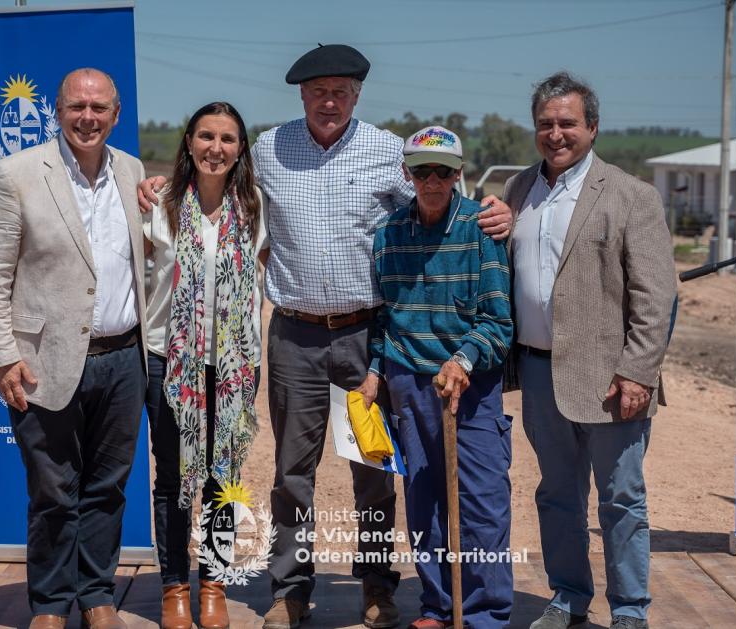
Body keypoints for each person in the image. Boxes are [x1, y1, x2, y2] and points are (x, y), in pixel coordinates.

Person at [137, 44, 512, 629]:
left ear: (357, 95)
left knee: (373, 471)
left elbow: (437, 203)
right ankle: (291, 589)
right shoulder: (268, 150)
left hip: (366, 337)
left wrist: (495, 211)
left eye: (340, 91)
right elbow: (217, 196)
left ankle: (376, 586)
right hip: (294, 338)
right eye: (318, 92)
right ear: (301, 96)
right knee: (292, 472)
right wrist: (157, 185)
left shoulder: (387, 151)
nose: (329, 101)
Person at [0, 68, 147, 629]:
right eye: (76, 107)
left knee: (108, 488)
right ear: (58, 111)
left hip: (123, 359)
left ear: (115, 113)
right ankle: (48, 603)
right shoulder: (14, 174)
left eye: (99, 108)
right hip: (42, 361)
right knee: (53, 491)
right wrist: (2, 355)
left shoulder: (132, 171)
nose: (87, 118)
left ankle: (96, 595)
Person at [495, 72, 677, 629]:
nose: (556, 133)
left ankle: (629, 610)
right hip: (539, 371)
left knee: (621, 500)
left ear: (592, 127)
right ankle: (569, 596)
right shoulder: (519, 191)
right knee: (556, 496)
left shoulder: (631, 196)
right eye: (546, 124)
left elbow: (657, 293)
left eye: (567, 123)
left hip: (610, 381)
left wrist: (638, 373)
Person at [361, 126, 513, 628]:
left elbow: (498, 321)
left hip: (469, 386)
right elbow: (384, 317)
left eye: (443, 171)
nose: (432, 180)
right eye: (422, 170)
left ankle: (485, 612)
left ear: (458, 174)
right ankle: (438, 604)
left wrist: (463, 360)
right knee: (424, 501)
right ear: (407, 174)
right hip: (409, 384)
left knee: (482, 504)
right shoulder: (388, 234)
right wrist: (375, 370)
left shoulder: (480, 230)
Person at [142, 101, 266, 629]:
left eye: (229, 139)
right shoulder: (159, 203)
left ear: (241, 148)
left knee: (224, 475)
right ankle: (174, 588)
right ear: (188, 141)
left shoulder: (257, 205)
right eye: (206, 136)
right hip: (169, 362)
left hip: (235, 367)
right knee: (171, 479)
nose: (217, 148)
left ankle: (212, 583)